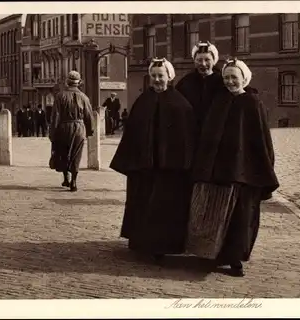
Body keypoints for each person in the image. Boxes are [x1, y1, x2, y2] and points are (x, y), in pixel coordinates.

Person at [185, 58, 279, 277]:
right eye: (226, 77)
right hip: (218, 171)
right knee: (216, 214)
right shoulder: (219, 101)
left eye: (234, 77)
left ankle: (235, 260)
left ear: (244, 78)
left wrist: (263, 170)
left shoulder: (253, 103)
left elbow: (262, 142)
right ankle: (216, 254)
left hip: (243, 172)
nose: (229, 81)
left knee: (240, 218)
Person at [110, 58, 195, 259]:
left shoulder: (180, 104)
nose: (157, 80)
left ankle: (163, 247)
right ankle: (139, 242)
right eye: (154, 76)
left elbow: (187, 138)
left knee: (164, 208)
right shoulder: (143, 101)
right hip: (144, 168)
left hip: (169, 170)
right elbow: (132, 133)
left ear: (169, 77)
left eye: (161, 75)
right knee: (142, 203)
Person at [49, 70, 94, 192]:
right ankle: (74, 181)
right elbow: (89, 115)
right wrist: (90, 131)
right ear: (78, 83)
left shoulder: (60, 96)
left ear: (67, 82)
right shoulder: (84, 97)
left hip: (63, 127)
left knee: (63, 152)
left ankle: (66, 178)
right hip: (79, 128)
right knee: (76, 154)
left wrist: (52, 132)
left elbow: (55, 116)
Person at [176, 41, 225, 137]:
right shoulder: (185, 82)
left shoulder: (223, 81)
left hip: (217, 134)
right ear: (194, 61)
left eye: (207, 60)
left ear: (214, 61)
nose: (203, 64)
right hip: (192, 133)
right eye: (199, 60)